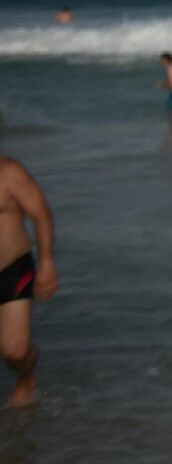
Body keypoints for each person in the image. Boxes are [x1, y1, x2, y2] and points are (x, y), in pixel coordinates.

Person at [0, 158, 56, 409]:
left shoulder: (10, 173)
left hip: (12, 270)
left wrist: (46, 263)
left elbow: (40, 213)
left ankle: (26, 377)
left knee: (16, 351)